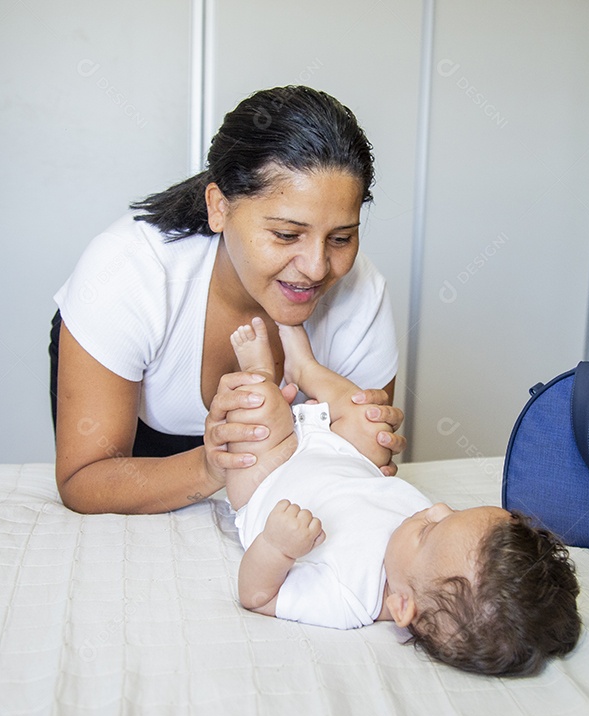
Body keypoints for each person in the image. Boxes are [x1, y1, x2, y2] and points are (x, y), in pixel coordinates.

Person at [49, 86, 405, 514]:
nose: (315, 267)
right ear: (219, 207)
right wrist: (213, 466)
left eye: (342, 237)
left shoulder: (361, 292)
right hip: (142, 463)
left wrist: (370, 446)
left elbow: (360, 465)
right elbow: (82, 480)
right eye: (286, 235)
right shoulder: (129, 271)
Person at [228, 318, 581, 676]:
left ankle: (258, 371)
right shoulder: (431, 541)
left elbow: (257, 596)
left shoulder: (350, 596)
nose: (438, 508)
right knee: (371, 422)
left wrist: (276, 546)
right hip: (337, 453)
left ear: (401, 606)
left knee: (261, 407)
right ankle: (304, 367)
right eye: (454, 512)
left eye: (427, 532)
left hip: (267, 475)